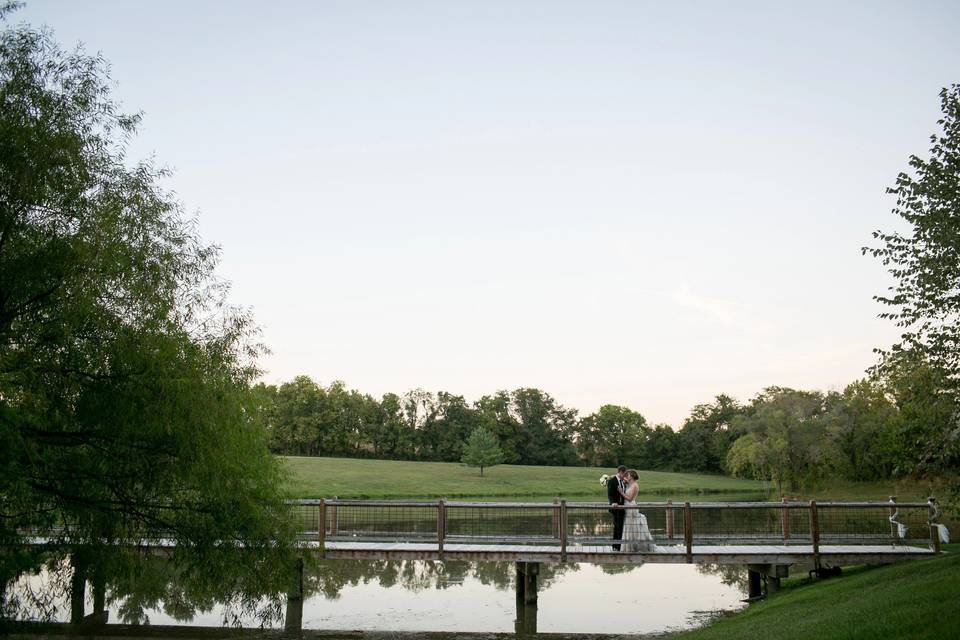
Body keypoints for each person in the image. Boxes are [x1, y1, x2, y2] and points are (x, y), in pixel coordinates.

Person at [620, 469, 657, 552]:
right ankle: (630, 545)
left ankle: (637, 545)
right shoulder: (630, 484)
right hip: (627, 507)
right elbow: (622, 478)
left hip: (631, 506)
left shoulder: (635, 485)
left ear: (632, 476)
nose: (627, 476)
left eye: (628, 475)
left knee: (632, 525)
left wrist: (621, 492)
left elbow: (630, 499)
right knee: (629, 526)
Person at [607, 465, 627, 550]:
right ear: (620, 472)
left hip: (623, 508)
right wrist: (613, 503)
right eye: (624, 474)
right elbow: (610, 494)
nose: (625, 476)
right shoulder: (612, 481)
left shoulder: (623, 481)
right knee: (617, 526)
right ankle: (616, 546)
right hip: (615, 508)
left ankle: (619, 545)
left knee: (621, 526)